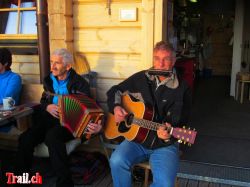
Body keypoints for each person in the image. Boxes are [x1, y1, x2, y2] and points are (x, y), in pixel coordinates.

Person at [106, 41, 192, 187]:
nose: (161, 64)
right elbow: (116, 90)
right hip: (137, 140)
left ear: (173, 61)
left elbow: (182, 121)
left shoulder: (182, 88)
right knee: (116, 161)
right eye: (157, 59)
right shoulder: (142, 78)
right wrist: (116, 107)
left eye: (166, 59)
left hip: (165, 145)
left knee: (164, 184)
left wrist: (167, 135)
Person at [15, 48, 102, 187]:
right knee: (26, 138)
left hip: (69, 124)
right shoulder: (48, 80)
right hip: (49, 119)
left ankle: (65, 183)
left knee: (53, 137)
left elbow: (89, 108)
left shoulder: (80, 83)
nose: (52, 66)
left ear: (68, 66)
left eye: (57, 63)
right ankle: (22, 180)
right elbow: (44, 100)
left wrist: (96, 125)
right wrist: (47, 107)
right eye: (51, 62)